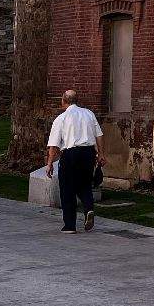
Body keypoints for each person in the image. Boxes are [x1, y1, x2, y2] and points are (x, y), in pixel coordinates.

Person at [45, 89, 103, 234]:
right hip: (88, 153)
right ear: (77, 100)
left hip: (70, 153)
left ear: (63, 101)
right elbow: (99, 135)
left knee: (67, 188)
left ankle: (70, 225)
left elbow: (54, 144)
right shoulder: (89, 114)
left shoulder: (61, 118)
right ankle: (88, 208)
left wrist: (50, 162)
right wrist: (101, 154)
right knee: (84, 184)